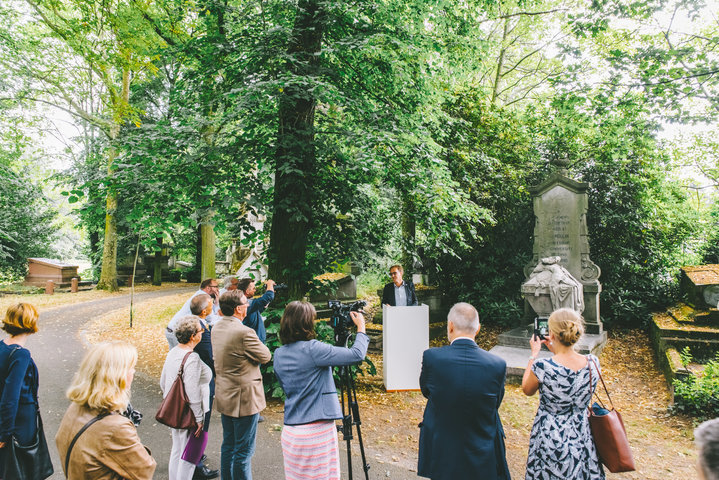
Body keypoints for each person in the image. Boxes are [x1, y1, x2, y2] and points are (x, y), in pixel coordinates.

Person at [273, 301, 368, 480]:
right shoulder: (313, 349)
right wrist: (361, 327)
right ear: (306, 323)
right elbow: (357, 355)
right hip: (316, 433)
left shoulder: (279, 353)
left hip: (292, 432)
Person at [417, 302, 510, 480]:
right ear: (478, 329)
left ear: (450, 326)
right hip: (482, 445)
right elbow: (495, 402)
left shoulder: (432, 357)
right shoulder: (497, 364)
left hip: (442, 447)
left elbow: (426, 391)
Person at [522, 308, 604, 480]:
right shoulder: (593, 362)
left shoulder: (543, 366)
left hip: (550, 434)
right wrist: (556, 351)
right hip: (582, 432)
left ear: (551, 333)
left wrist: (533, 355)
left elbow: (527, 389)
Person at [56, 341, 156, 479]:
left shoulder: (76, 407)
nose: (133, 372)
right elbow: (145, 470)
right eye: (131, 367)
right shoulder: (116, 427)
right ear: (117, 375)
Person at [212, 290, 271, 480]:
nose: (248, 305)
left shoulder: (216, 327)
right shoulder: (244, 332)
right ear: (239, 309)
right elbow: (266, 356)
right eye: (246, 303)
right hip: (245, 398)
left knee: (228, 444)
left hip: (225, 393)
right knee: (243, 452)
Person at [161, 316, 213, 480]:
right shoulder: (192, 358)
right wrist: (198, 417)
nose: (203, 333)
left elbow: (163, 381)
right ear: (192, 336)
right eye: (200, 330)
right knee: (189, 456)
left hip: (175, 409)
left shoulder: (173, 352)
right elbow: (192, 391)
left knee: (177, 449)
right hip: (189, 413)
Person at [0, 303, 46, 474]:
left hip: (9, 419)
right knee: (21, 470)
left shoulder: (2, 346)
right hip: (19, 422)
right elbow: (10, 396)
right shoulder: (20, 354)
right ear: (31, 322)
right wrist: (4, 433)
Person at [190, 294, 220, 479]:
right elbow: (209, 356)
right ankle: (197, 466)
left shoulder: (191, 323)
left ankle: (196, 455)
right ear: (204, 311)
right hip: (203, 380)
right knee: (202, 423)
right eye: (210, 304)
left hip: (195, 376)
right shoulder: (202, 329)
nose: (213, 306)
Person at [166, 279, 221, 349]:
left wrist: (216, 303)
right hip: (178, 332)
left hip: (171, 329)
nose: (218, 289)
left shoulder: (199, 295)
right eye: (216, 286)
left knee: (175, 357)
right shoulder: (204, 299)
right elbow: (211, 320)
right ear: (208, 288)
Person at [237, 278, 275, 344]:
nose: (255, 290)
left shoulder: (247, 303)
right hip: (253, 343)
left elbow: (255, 312)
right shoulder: (246, 304)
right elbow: (269, 296)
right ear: (247, 291)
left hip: (255, 341)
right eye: (253, 288)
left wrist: (270, 290)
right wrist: (270, 284)